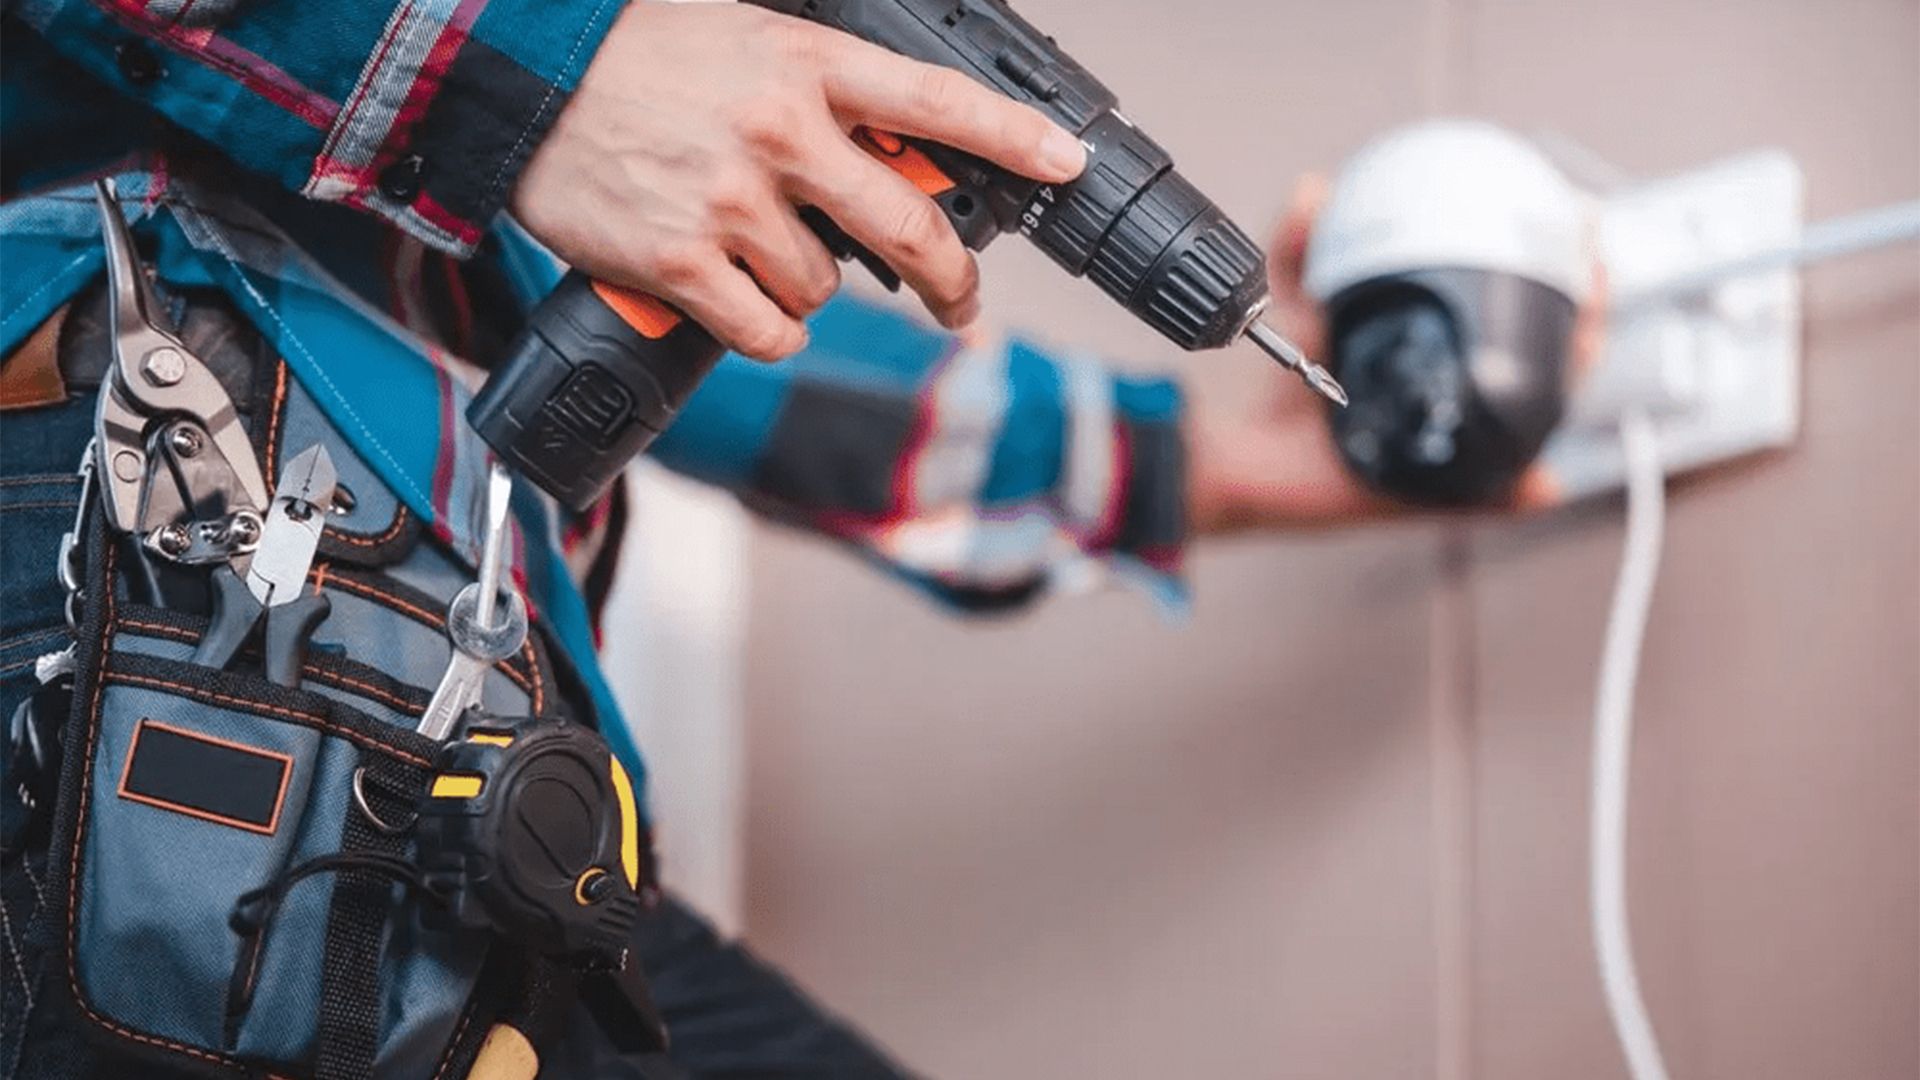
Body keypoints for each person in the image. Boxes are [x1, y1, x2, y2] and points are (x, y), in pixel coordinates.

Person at [0, 2, 1576, 1077]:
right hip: (109, 634)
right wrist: (529, 70)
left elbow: (673, 290)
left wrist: (1183, 465)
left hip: (448, 770)